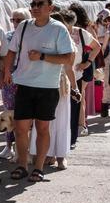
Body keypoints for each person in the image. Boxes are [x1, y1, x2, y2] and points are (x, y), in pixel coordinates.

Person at [3, 0, 74, 183]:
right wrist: (7, 72)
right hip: (24, 84)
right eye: (33, 4)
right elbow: (11, 51)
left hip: (47, 87)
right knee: (20, 128)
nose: (34, 7)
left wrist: (43, 56)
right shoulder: (24, 26)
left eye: (39, 4)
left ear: (50, 8)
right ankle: (22, 165)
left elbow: (68, 58)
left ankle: (39, 167)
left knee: (43, 128)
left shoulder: (58, 29)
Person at [30, 10, 79, 169]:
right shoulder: (39, 39)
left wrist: (75, 88)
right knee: (44, 122)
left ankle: (60, 156)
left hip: (60, 86)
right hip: (42, 84)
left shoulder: (67, 42)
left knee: (61, 121)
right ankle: (46, 155)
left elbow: (69, 68)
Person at [0, 8, 30, 160]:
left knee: (25, 113)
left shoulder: (32, 36)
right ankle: (8, 146)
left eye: (19, 20)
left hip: (27, 77)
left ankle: (25, 148)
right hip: (10, 78)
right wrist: (4, 74)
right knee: (8, 112)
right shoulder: (8, 36)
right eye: (13, 20)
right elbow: (2, 58)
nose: (16, 23)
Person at [69, 4, 100, 138]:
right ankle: (80, 123)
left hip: (83, 64)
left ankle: (81, 124)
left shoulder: (85, 29)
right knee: (79, 96)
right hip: (83, 64)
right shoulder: (87, 26)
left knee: (79, 96)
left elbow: (95, 45)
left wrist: (86, 62)